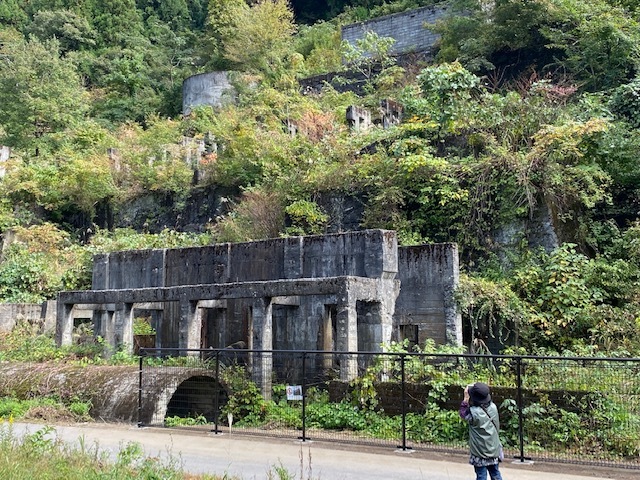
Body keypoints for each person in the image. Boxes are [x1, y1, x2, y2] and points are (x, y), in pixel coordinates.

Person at [459, 382, 504, 480]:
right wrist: (478, 388)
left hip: (480, 452)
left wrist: (466, 399)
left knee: (481, 476)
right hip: (493, 448)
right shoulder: (493, 407)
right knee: (495, 473)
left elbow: (463, 414)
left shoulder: (473, 413)